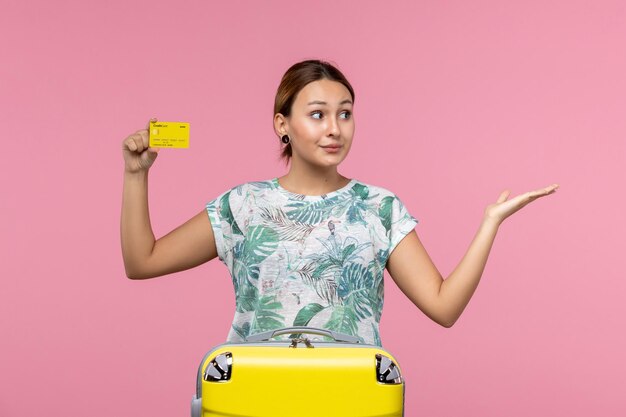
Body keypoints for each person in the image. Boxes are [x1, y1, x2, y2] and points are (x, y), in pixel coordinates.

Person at [120, 59, 558, 346]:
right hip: (254, 397)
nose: (334, 128)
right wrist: (135, 176)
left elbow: (444, 307)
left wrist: (489, 224)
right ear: (282, 124)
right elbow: (143, 261)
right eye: (317, 114)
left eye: (344, 113)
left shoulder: (378, 209)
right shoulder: (245, 205)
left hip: (352, 398)